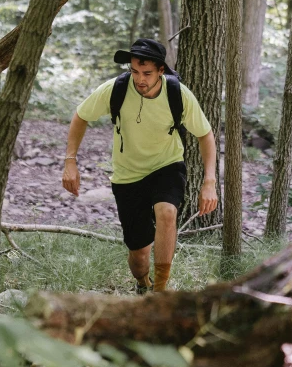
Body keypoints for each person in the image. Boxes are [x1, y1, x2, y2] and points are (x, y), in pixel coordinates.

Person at [62, 38, 218, 293]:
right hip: (128, 176)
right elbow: (81, 116)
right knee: (139, 255)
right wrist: (70, 161)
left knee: (168, 212)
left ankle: (160, 291)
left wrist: (209, 181)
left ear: (161, 71)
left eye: (147, 73)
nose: (140, 79)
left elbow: (205, 134)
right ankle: (142, 283)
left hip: (166, 165)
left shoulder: (178, 94)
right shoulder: (116, 89)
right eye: (135, 71)